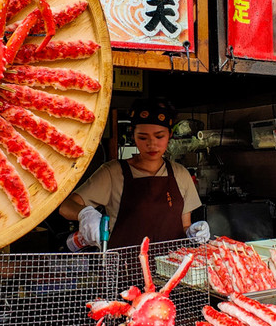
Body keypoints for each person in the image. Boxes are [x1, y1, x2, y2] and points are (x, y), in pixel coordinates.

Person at [58, 97, 210, 250]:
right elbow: (65, 206)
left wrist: (193, 233)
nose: (151, 144)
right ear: (133, 135)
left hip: (172, 269)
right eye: (143, 137)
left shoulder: (180, 174)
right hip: (125, 270)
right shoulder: (113, 172)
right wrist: (84, 213)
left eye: (159, 136)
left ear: (170, 134)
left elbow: (185, 225)